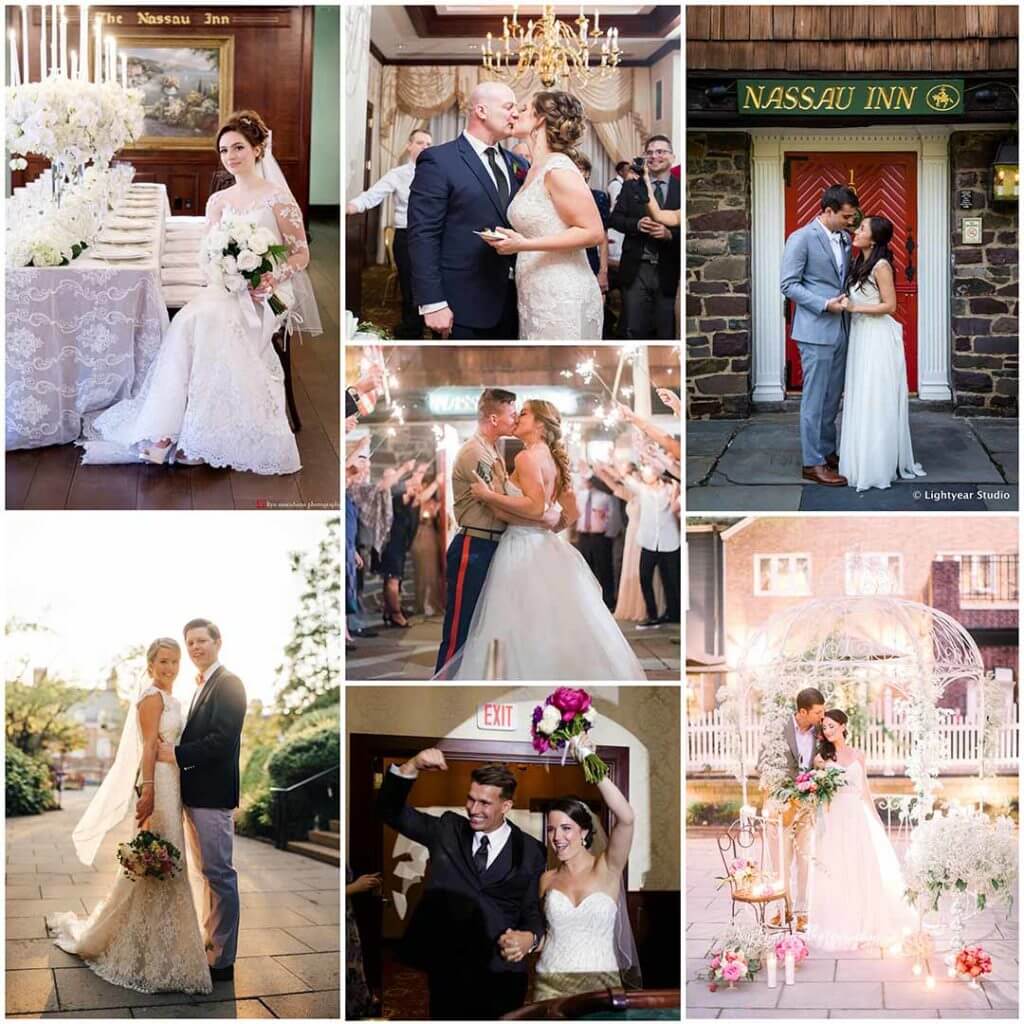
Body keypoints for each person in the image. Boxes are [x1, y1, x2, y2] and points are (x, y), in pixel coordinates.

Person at [81, 110, 321, 474]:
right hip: (226, 287)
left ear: (258, 150)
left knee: (210, 320)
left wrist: (271, 277)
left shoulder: (278, 199)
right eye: (224, 150)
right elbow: (209, 252)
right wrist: (223, 273)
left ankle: (204, 435)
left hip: (268, 291)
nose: (231, 156)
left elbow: (301, 252)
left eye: (238, 147)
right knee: (192, 320)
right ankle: (166, 428)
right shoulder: (218, 201)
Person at [47, 638, 213, 994]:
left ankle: (165, 944)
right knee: (158, 861)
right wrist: (149, 789)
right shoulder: (150, 697)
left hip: (176, 783)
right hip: (161, 784)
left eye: (174, 662)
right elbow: (149, 745)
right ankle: (136, 945)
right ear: (151, 665)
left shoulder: (174, 698)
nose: (169, 668)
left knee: (168, 862)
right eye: (163, 662)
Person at [449, 399, 646, 680]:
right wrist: (547, 525)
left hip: (520, 547)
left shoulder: (526, 457)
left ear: (540, 425)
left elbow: (534, 506)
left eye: (525, 413)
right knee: (544, 623)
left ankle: (510, 680)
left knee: (512, 623)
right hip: (541, 544)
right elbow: (571, 511)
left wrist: (490, 496)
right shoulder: (550, 459)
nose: (517, 417)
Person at [378, 750, 546, 1019]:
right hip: (449, 972)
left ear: (506, 806)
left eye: (484, 803)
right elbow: (390, 811)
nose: (473, 809)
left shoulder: (531, 850)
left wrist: (531, 938)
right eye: (470, 798)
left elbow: (531, 911)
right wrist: (413, 765)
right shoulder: (447, 829)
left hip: (502, 975)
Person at [433, 389, 563, 675]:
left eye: (521, 412)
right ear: (494, 418)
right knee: (461, 627)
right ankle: (444, 683)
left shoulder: (495, 451)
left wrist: (543, 515)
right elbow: (498, 504)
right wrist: (542, 516)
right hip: (475, 543)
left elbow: (513, 501)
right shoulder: (475, 452)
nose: (515, 417)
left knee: (489, 627)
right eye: (511, 412)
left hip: (497, 545)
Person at [501, 737, 639, 1000]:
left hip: (602, 986)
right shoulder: (546, 879)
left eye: (566, 828)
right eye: (551, 829)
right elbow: (544, 934)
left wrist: (588, 759)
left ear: (585, 832)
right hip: (549, 983)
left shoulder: (608, 868)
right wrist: (524, 942)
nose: (557, 837)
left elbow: (627, 818)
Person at [156, 618, 247, 980]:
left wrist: (175, 754)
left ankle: (223, 960)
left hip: (213, 796)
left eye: (201, 641)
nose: (194, 648)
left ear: (218, 642)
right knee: (206, 874)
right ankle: (211, 947)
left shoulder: (230, 684)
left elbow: (222, 742)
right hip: (195, 796)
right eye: (190, 642)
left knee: (221, 876)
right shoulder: (200, 686)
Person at [481, 91, 604, 340]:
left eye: (524, 109)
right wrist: (517, 237)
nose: (515, 113)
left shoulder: (559, 168)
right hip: (534, 288)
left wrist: (524, 244)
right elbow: (548, 224)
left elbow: (593, 232)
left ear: (540, 119)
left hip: (563, 291)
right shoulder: (533, 168)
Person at [407, 82, 524, 340]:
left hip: (516, 300)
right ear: (481, 111)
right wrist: (433, 302)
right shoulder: (439, 160)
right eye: (509, 107)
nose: (516, 114)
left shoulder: (517, 163)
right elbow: (423, 234)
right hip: (462, 301)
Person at [807, 710, 918, 949]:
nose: (827, 731)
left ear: (843, 726)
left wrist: (876, 817)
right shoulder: (821, 758)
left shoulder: (859, 754)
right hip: (834, 816)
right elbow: (817, 792)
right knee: (837, 867)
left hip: (856, 816)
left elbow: (865, 789)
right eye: (824, 727)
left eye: (831, 726)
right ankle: (839, 922)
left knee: (860, 866)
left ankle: (864, 921)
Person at [838, 215, 926, 491]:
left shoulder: (881, 265)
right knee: (861, 396)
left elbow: (889, 306)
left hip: (877, 336)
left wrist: (854, 308)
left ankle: (877, 466)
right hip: (861, 336)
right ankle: (859, 460)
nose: (857, 229)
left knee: (875, 398)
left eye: (862, 228)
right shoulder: (858, 263)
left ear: (874, 238)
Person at [780, 184, 858, 487]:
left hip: (842, 328)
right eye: (847, 217)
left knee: (832, 398)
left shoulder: (845, 239)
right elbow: (788, 284)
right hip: (815, 329)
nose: (851, 222)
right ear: (828, 211)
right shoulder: (801, 239)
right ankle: (812, 463)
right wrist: (825, 304)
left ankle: (827, 451)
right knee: (814, 400)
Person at [346, 129, 433, 339]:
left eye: (429, 144)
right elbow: (373, 195)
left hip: (433, 237)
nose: (425, 147)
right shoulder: (398, 174)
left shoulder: (441, 172)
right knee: (410, 286)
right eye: (420, 143)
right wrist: (351, 206)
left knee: (431, 284)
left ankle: (435, 328)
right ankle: (412, 330)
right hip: (406, 236)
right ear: (410, 146)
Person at [759, 687, 826, 933]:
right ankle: (781, 909)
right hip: (780, 807)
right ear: (802, 711)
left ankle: (802, 912)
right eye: (818, 712)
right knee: (780, 862)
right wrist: (781, 798)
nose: (822, 715)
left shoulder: (822, 732)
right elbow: (763, 764)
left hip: (807, 807)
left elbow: (827, 763)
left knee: (805, 861)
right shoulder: (777, 729)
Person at [608, 136, 680, 340]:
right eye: (650, 152)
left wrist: (669, 234)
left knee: (665, 329)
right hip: (637, 267)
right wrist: (637, 225)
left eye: (661, 151)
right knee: (633, 328)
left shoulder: (681, 188)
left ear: (672, 157)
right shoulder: (632, 187)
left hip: (668, 268)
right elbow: (615, 219)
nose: (655, 156)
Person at [379, 461, 426, 628]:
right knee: (393, 579)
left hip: (399, 544)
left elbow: (414, 500)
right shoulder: (390, 496)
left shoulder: (406, 497)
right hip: (392, 543)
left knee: (392, 579)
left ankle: (390, 612)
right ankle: (397, 615)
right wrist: (409, 472)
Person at [575, 468, 616, 609]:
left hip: (600, 537)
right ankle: (588, 602)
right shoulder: (580, 495)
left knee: (604, 569)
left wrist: (607, 529)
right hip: (583, 536)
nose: (584, 481)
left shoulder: (605, 496)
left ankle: (608, 602)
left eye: (587, 478)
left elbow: (613, 517)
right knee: (585, 569)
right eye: (583, 478)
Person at [410, 471, 445, 616]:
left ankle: (433, 603)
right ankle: (423, 605)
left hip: (432, 536)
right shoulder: (416, 499)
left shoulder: (433, 502)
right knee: (422, 573)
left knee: (433, 572)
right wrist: (437, 482)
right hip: (419, 536)